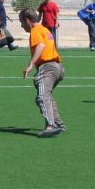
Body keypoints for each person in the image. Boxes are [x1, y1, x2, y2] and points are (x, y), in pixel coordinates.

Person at [20, 8, 65, 137]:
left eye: (22, 22)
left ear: (28, 21)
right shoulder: (45, 29)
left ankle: (50, 126)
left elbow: (40, 46)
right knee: (46, 96)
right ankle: (58, 123)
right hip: (58, 67)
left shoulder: (35, 31)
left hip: (47, 68)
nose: (21, 25)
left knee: (42, 97)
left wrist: (30, 65)